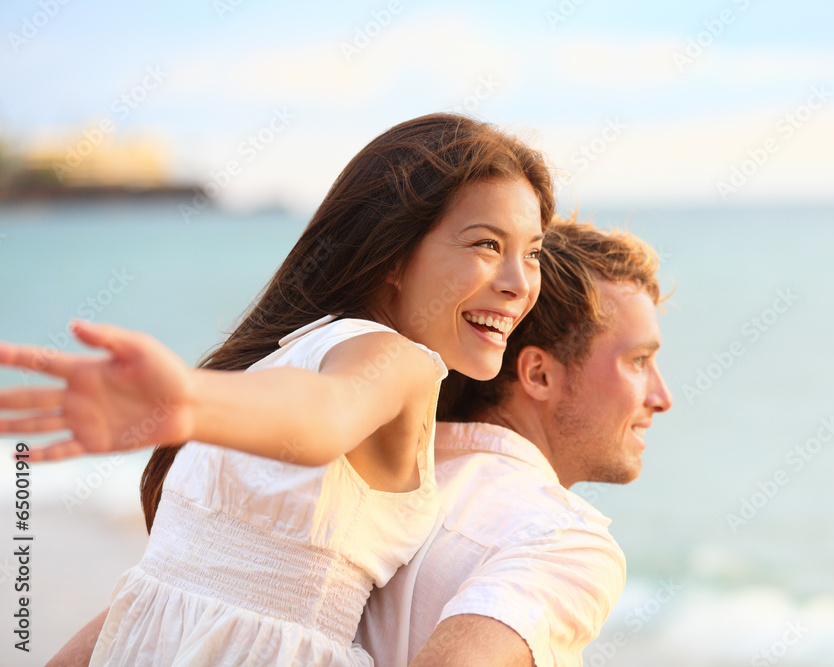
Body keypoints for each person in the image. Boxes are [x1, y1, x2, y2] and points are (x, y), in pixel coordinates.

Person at [0, 113, 554, 666]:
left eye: (532, 252)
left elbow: (323, 416)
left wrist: (190, 401)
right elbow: (152, 595)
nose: (519, 283)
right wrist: (189, 402)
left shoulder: (341, 360)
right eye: (486, 244)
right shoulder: (363, 356)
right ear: (392, 252)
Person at [358, 218, 673, 666]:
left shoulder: (368, 477)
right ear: (539, 374)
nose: (662, 398)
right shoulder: (558, 539)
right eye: (638, 361)